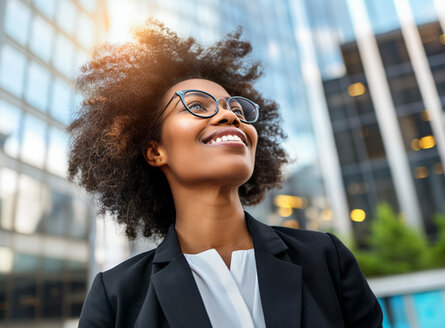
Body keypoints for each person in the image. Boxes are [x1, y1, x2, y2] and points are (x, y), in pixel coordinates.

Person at [70, 20, 382, 328]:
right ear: (155, 151)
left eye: (237, 109)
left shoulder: (326, 259)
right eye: (196, 106)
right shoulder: (116, 298)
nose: (230, 114)